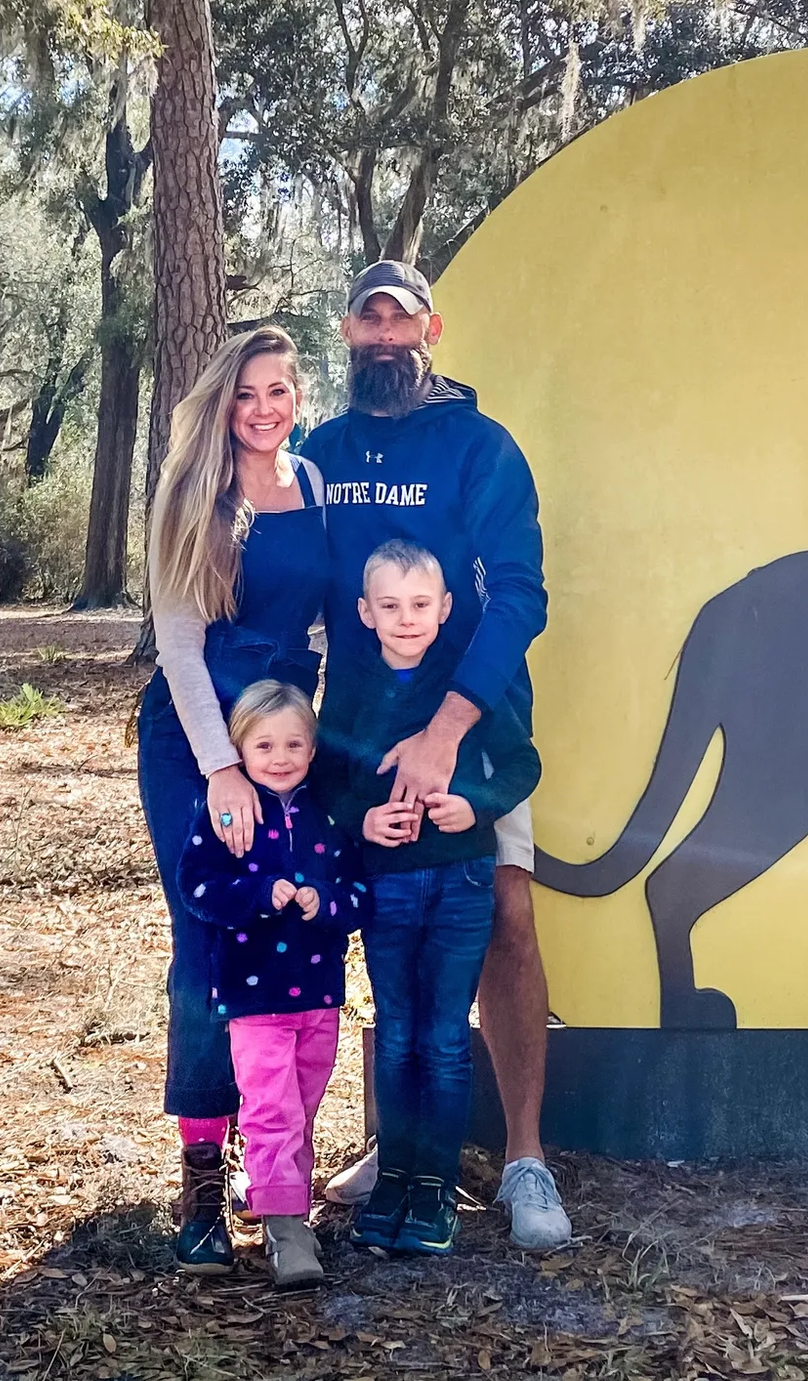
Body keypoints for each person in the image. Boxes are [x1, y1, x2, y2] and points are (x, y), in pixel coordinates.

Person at [303, 260, 573, 1249]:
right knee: (392, 922)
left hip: (477, 730)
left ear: (432, 330)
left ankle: (524, 1156)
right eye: (368, 319)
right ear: (347, 332)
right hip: (363, 740)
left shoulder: (480, 447)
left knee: (503, 910)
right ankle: (405, 1145)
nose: (384, 335)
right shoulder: (320, 452)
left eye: (400, 320)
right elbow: (301, 592)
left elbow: (519, 595)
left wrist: (447, 730)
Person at [138, 326, 329, 1273]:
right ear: (221, 403)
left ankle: (278, 1164)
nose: (263, 408)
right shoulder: (190, 496)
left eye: (279, 390)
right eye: (247, 393)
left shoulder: (315, 484)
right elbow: (177, 643)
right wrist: (221, 766)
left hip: (289, 743)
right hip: (198, 742)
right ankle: (203, 1182)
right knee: (210, 943)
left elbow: (333, 621)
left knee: (292, 941)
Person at [317, 541, 540, 1254]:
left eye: (420, 605)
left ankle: (437, 1188)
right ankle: (395, 1178)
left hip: (461, 881)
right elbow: (327, 779)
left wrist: (474, 806)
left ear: (446, 609)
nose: (406, 619)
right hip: (386, 885)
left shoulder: (466, 690)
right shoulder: (352, 686)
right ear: (364, 612)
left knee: (445, 1036)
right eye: (390, 606)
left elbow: (521, 762)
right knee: (398, 1028)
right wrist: (362, 820)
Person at [175, 680, 367, 1288]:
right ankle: (287, 1228)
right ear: (239, 749)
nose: (279, 757)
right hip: (253, 998)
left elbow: (361, 893)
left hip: (319, 995)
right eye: (264, 745)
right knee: (270, 1109)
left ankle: (272, 1190)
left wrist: (326, 903)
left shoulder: (328, 816)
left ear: (312, 749)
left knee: (302, 1106)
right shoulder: (229, 813)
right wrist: (258, 895)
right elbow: (197, 886)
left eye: (293, 744)